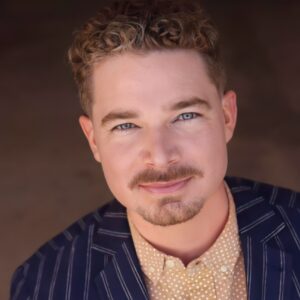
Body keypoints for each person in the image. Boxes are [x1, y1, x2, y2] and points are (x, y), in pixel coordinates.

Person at [10, 0, 300, 299]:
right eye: (125, 126)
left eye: (185, 116)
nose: (160, 157)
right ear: (93, 139)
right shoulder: (43, 284)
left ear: (227, 117)